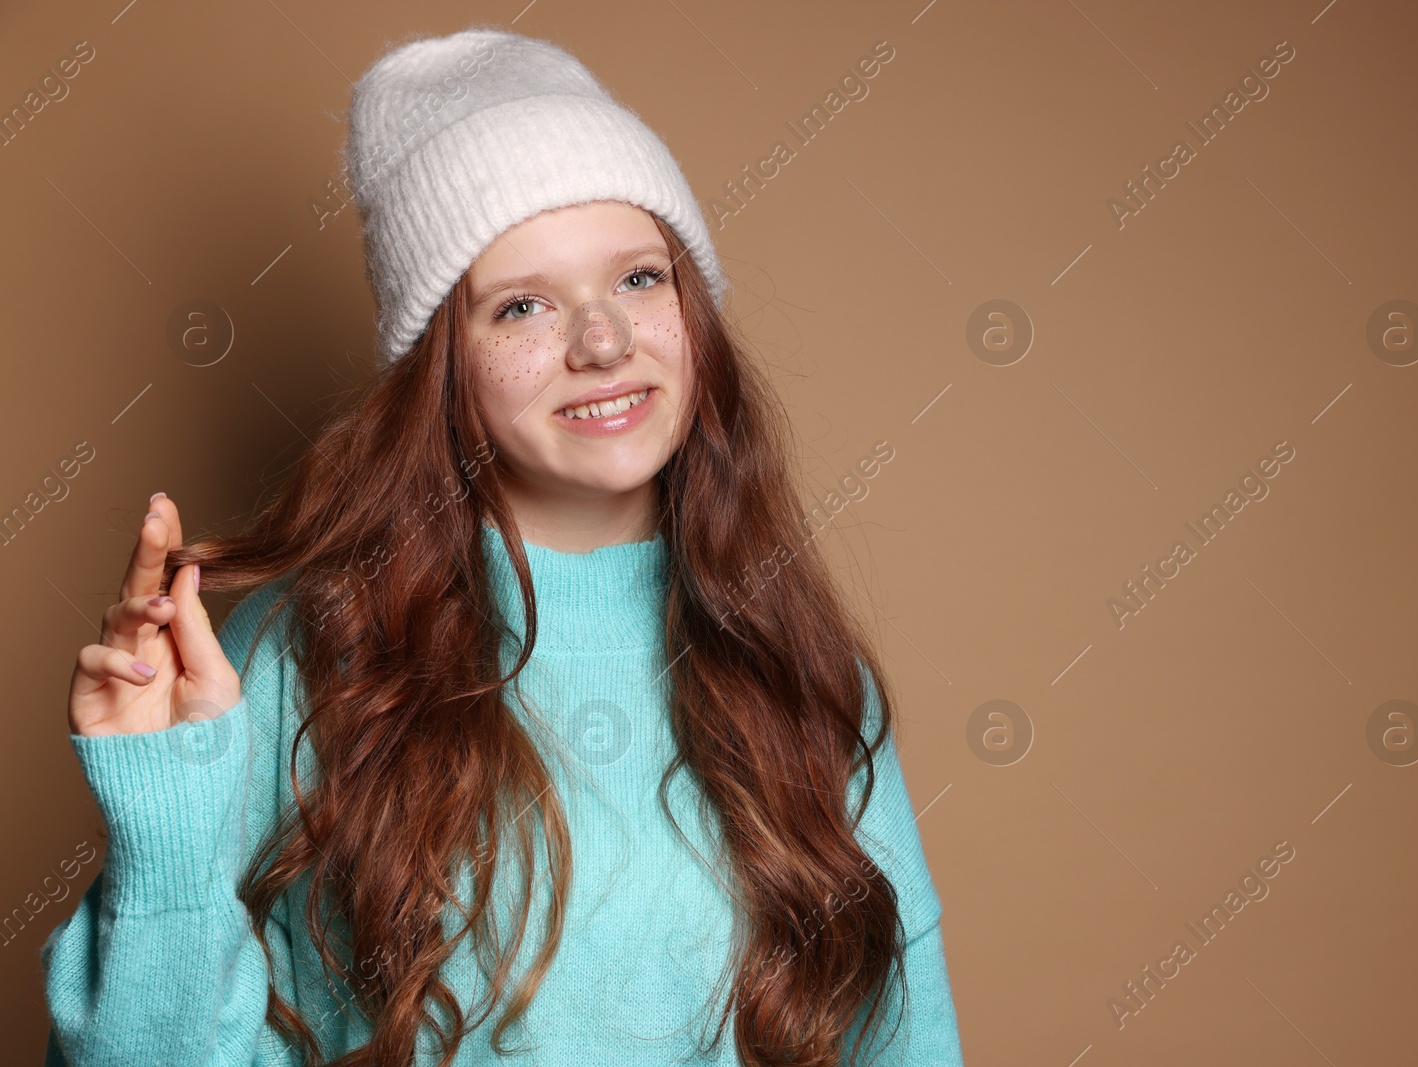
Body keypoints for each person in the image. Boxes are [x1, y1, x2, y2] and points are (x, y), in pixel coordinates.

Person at [40, 26, 963, 1067]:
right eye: (522, 304)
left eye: (640, 279)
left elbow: (905, 1033)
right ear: (445, 365)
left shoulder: (797, 662)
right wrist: (164, 813)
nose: (602, 340)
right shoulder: (295, 652)